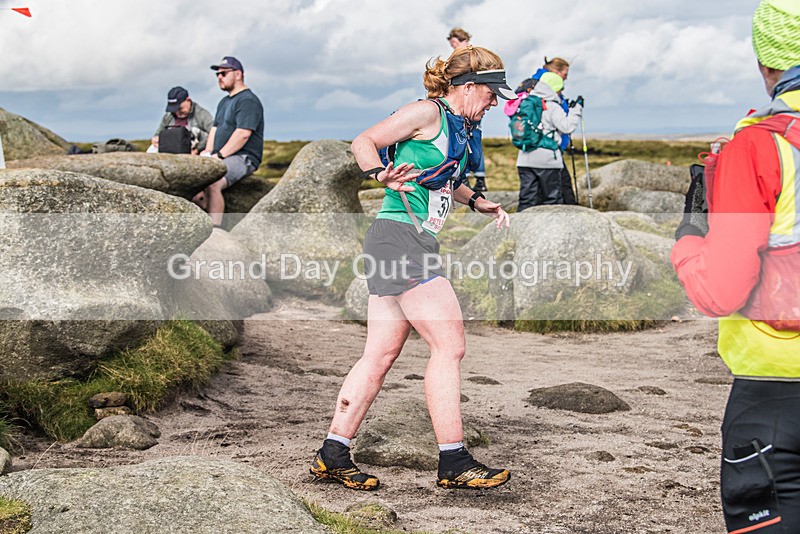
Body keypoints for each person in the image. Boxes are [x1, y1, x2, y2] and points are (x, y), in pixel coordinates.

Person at [310, 45, 513, 491]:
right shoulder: (427, 112)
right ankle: (454, 460)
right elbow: (364, 141)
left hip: (405, 240)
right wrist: (378, 173)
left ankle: (333, 452)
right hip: (398, 239)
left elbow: (446, 181)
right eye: (492, 92)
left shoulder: (460, 126)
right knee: (450, 343)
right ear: (469, 86)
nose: (496, 102)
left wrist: (478, 202)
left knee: (379, 355)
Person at [671, 0, 800, 531]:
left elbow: (721, 291)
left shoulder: (760, 146)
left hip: (775, 385)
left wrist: (688, 238)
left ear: (766, 63)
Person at [195, 57, 264, 227]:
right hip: (220, 155)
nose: (219, 77)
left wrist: (220, 155)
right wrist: (208, 153)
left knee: (213, 183)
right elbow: (215, 129)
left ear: (238, 74)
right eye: (218, 74)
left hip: (243, 157)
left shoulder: (247, 100)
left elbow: (243, 134)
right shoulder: (224, 102)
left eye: (224, 73)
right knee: (193, 186)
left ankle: (215, 230)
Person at [515, 71, 582, 210]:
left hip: (524, 159)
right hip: (547, 161)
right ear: (554, 89)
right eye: (560, 89)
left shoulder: (526, 103)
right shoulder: (552, 106)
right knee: (552, 201)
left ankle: (519, 228)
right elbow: (567, 127)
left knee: (527, 200)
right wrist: (576, 110)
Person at [530, 57, 577, 204]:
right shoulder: (547, 88)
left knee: (535, 193)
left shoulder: (534, 85)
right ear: (556, 71)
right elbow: (565, 125)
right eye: (565, 74)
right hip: (549, 147)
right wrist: (575, 111)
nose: (566, 78)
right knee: (559, 190)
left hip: (531, 148)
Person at [447, 27, 487, 192]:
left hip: (465, 105)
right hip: (477, 104)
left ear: (455, 40)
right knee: (475, 137)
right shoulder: (477, 55)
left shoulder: (461, 56)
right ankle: (480, 178)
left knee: (462, 137)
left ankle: (464, 178)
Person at [148, 86, 214, 155]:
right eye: (173, 109)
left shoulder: (201, 114)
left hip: (195, 152)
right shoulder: (168, 117)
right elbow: (158, 134)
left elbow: (214, 133)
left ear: (188, 100)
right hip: (169, 151)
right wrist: (156, 139)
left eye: (180, 108)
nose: (177, 112)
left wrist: (198, 149)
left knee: (195, 131)